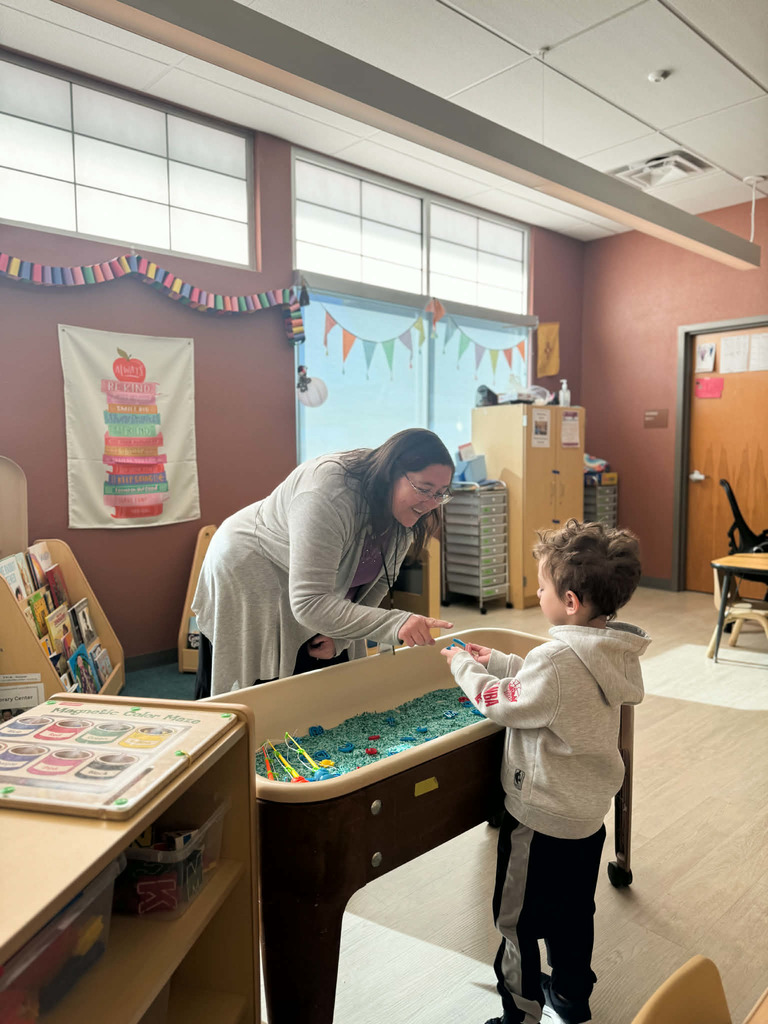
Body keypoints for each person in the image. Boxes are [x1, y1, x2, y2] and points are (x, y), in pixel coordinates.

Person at [441, 519, 650, 1024]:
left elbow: (504, 703)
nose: (536, 593)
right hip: (585, 819)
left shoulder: (556, 660)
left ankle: (520, 1013)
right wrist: (506, 660)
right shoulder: (611, 651)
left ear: (571, 601)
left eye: (541, 586)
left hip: (538, 820)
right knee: (574, 917)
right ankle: (572, 1001)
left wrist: (462, 664)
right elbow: (557, 688)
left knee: (515, 922)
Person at [194, 428, 455, 698]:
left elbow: (374, 583)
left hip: (310, 587)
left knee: (324, 667)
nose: (432, 504)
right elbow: (308, 602)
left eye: (441, 493)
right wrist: (395, 624)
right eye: (424, 490)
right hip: (250, 567)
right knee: (260, 686)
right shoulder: (328, 493)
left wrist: (342, 636)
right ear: (391, 474)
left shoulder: (407, 509)